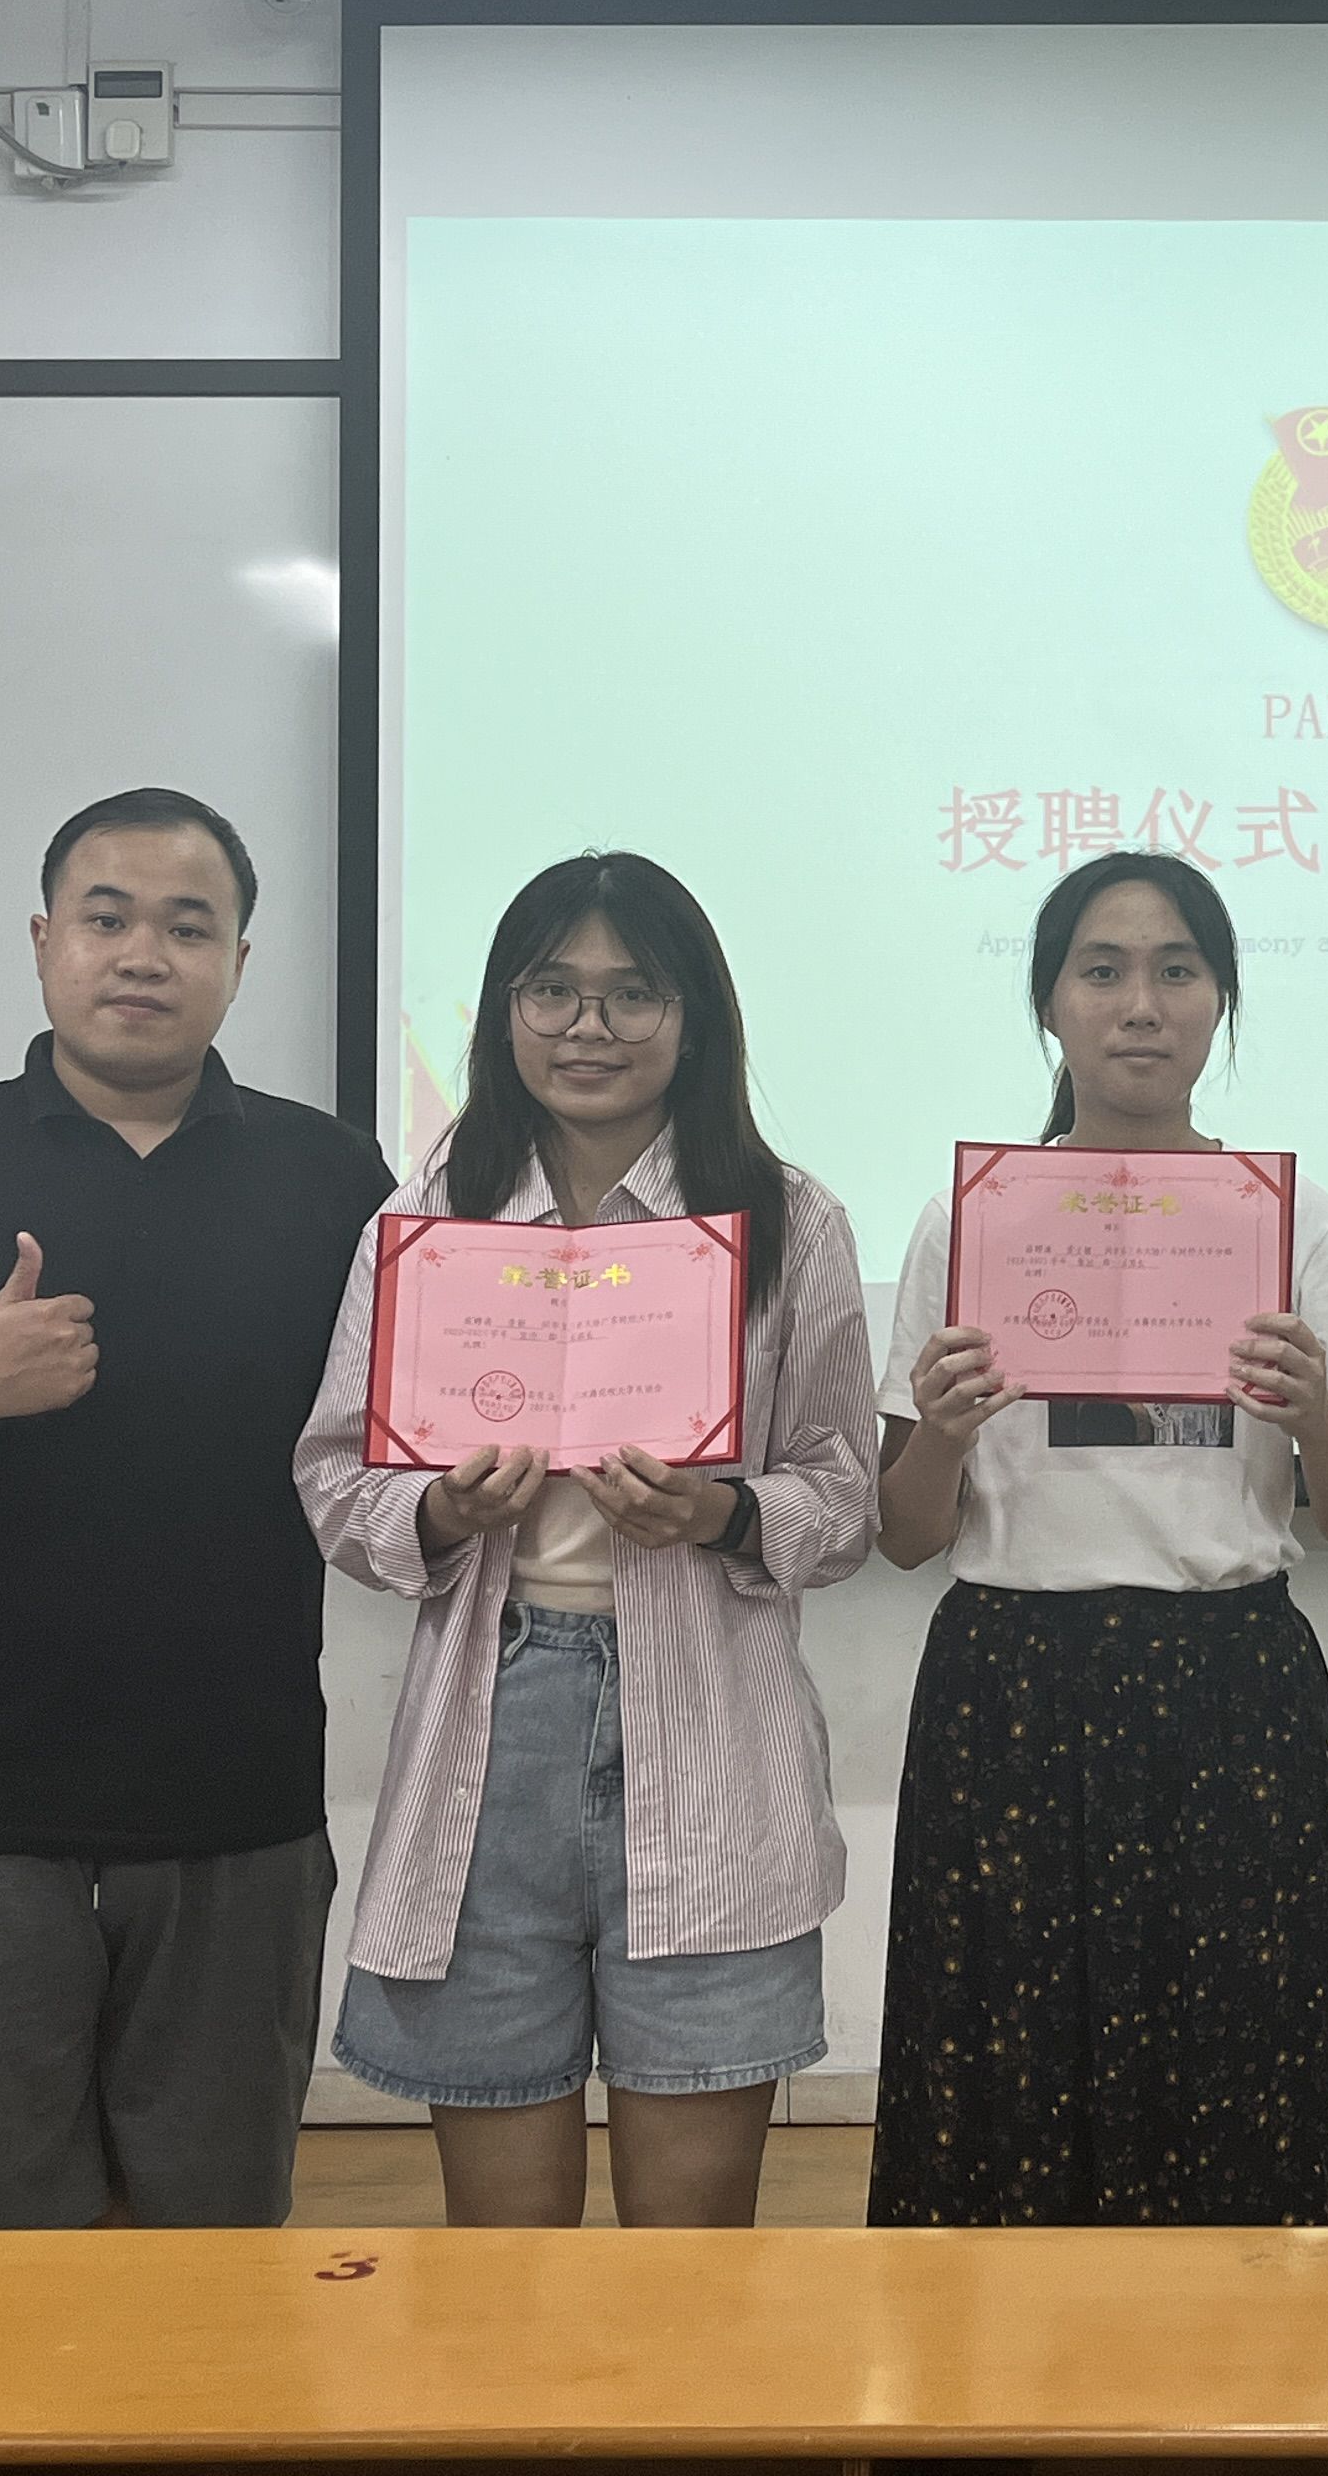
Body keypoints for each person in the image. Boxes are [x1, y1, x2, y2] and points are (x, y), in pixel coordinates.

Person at [0, 788, 391, 2230]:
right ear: (45, 939)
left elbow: (389, 1457)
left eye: (189, 927)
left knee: (213, 2262)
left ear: (241, 961)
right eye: (107, 918)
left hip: (239, 1814)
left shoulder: (337, 1183)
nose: (143, 955)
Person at [294, 852, 875, 2227]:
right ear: (505, 1010)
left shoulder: (787, 1221)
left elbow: (845, 1492)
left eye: (633, 994)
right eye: (552, 990)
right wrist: (442, 1510)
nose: (589, 1028)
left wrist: (722, 1512)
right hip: (492, 1723)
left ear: (694, 1017)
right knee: (509, 2264)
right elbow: (333, 1476)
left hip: (710, 1728)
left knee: (690, 2256)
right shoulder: (427, 1220)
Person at [866, 852, 1328, 2225]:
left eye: (1177, 970)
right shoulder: (970, 1220)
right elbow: (907, 1533)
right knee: (1010, 2081)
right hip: (1011, 1687)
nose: (1141, 1004)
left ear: (1222, 1000)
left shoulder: (1291, 1219)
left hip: (1230, 1686)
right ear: (1050, 1004)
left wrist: (1314, 1413)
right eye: (1101, 971)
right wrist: (940, 1431)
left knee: (1236, 2071)